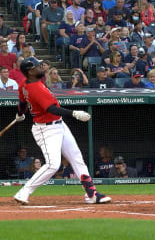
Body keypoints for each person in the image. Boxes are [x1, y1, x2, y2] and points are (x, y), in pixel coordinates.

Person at [14, 57, 111, 205]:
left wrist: (20, 114)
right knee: (53, 164)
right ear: (30, 71)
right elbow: (51, 108)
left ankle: (92, 193)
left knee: (76, 157)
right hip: (46, 129)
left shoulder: (25, 83)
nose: (42, 67)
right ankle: (24, 191)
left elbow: (22, 103)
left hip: (58, 125)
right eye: (38, 66)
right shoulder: (36, 88)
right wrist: (74, 113)